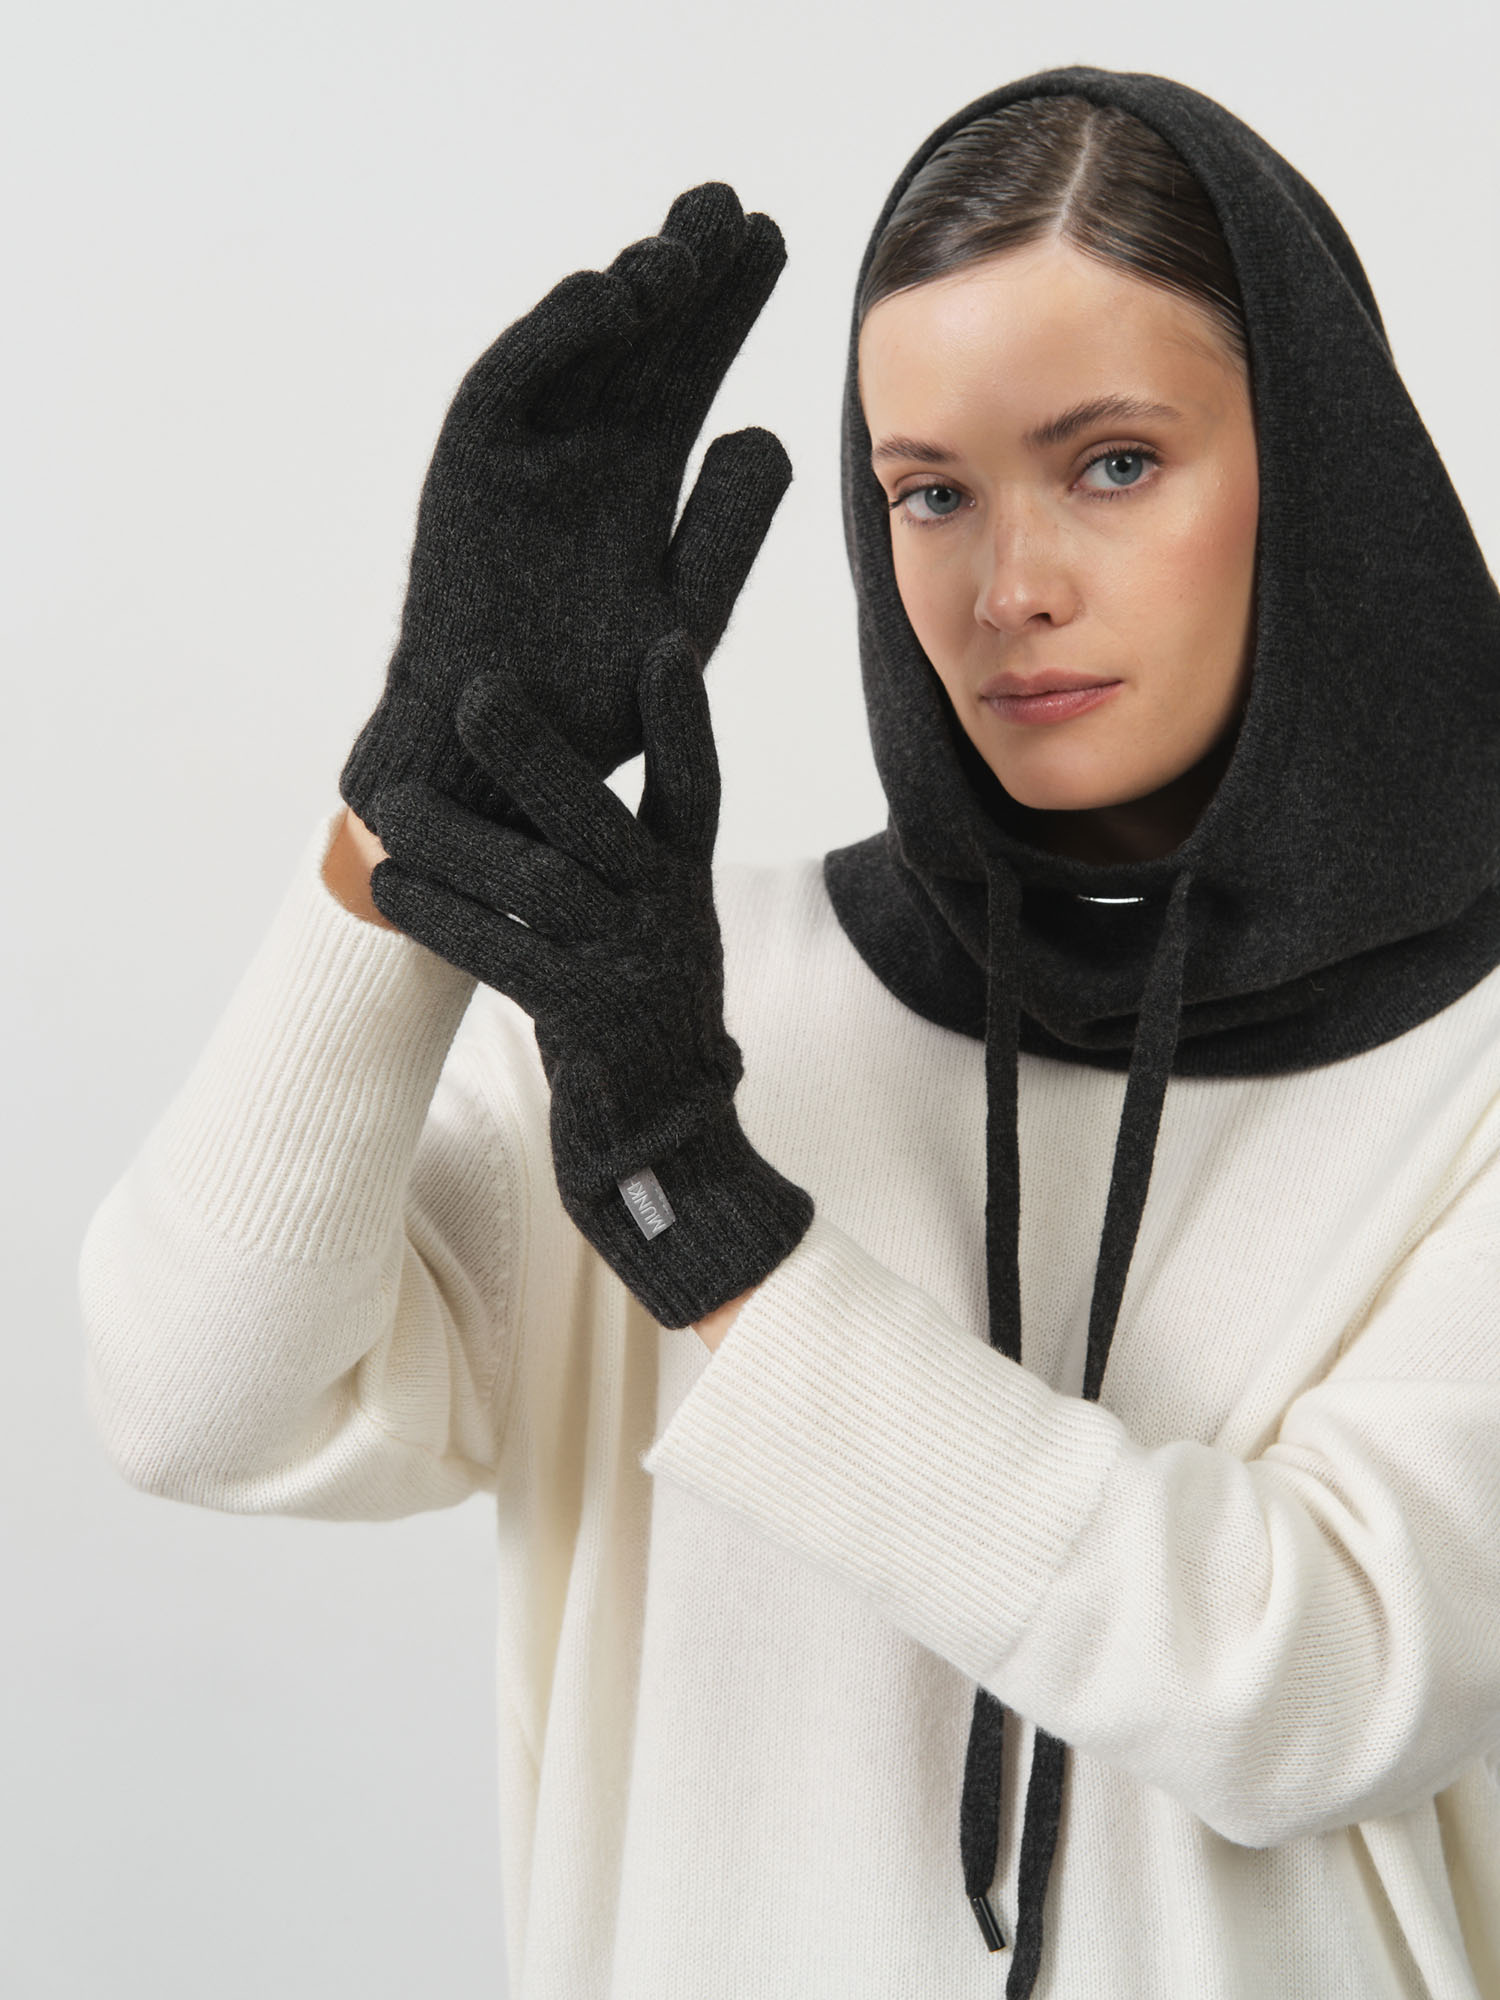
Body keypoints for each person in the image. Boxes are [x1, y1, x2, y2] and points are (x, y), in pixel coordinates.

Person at [77, 62, 1500, 1999]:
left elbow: (1314, 1684)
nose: (1007, 591)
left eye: (1111, 463)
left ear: (1313, 473)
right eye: (931, 493)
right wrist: (419, 798)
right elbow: (194, 1401)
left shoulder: (1470, 1069)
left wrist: (712, 1220)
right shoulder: (674, 994)